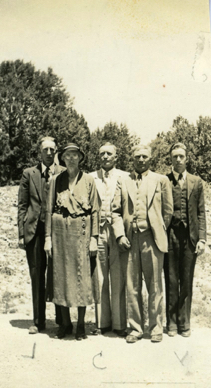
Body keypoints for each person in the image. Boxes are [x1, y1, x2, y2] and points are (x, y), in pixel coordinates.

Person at [112, 144, 173, 343]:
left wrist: (157, 229)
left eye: (144, 156)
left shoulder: (160, 180)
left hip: (152, 240)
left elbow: (168, 210)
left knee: (155, 285)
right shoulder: (123, 181)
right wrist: (120, 235)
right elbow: (115, 211)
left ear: (150, 158)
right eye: (137, 156)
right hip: (130, 239)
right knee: (132, 285)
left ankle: (156, 328)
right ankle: (136, 328)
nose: (140, 159)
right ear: (132, 158)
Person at [44, 143, 99, 340]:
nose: (71, 158)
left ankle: (81, 324)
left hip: (81, 233)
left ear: (80, 158)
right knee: (61, 276)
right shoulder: (55, 181)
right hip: (59, 233)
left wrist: (94, 238)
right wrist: (48, 238)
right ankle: (65, 324)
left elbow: (95, 211)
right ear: (63, 158)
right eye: (68, 155)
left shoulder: (89, 180)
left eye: (75, 155)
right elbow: (49, 210)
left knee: (82, 277)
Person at [18, 136, 65, 334]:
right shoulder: (29, 173)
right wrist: (21, 234)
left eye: (51, 149)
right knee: (37, 274)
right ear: (39, 151)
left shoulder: (63, 172)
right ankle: (38, 321)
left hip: (58, 232)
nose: (48, 153)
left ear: (56, 151)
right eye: (45, 149)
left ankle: (63, 321)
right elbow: (22, 205)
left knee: (59, 275)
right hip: (34, 232)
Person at [164, 142, 206, 337]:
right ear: (170, 159)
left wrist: (202, 239)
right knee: (171, 280)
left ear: (186, 158)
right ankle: (171, 323)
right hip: (170, 236)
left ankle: (184, 323)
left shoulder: (196, 182)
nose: (178, 160)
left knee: (186, 280)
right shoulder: (164, 181)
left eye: (181, 156)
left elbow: (200, 213)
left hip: (190, 238)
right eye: (175, 157)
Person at [90, 142, 129, 336]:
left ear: (116, 157)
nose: (105, 156)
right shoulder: (90, 178)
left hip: (117, 232)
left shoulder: (125, 177)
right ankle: (102, 323)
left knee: (118, 276)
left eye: (109, 154)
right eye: (102, 153)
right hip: (97, 231)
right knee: (100, 277)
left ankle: (120, 324)